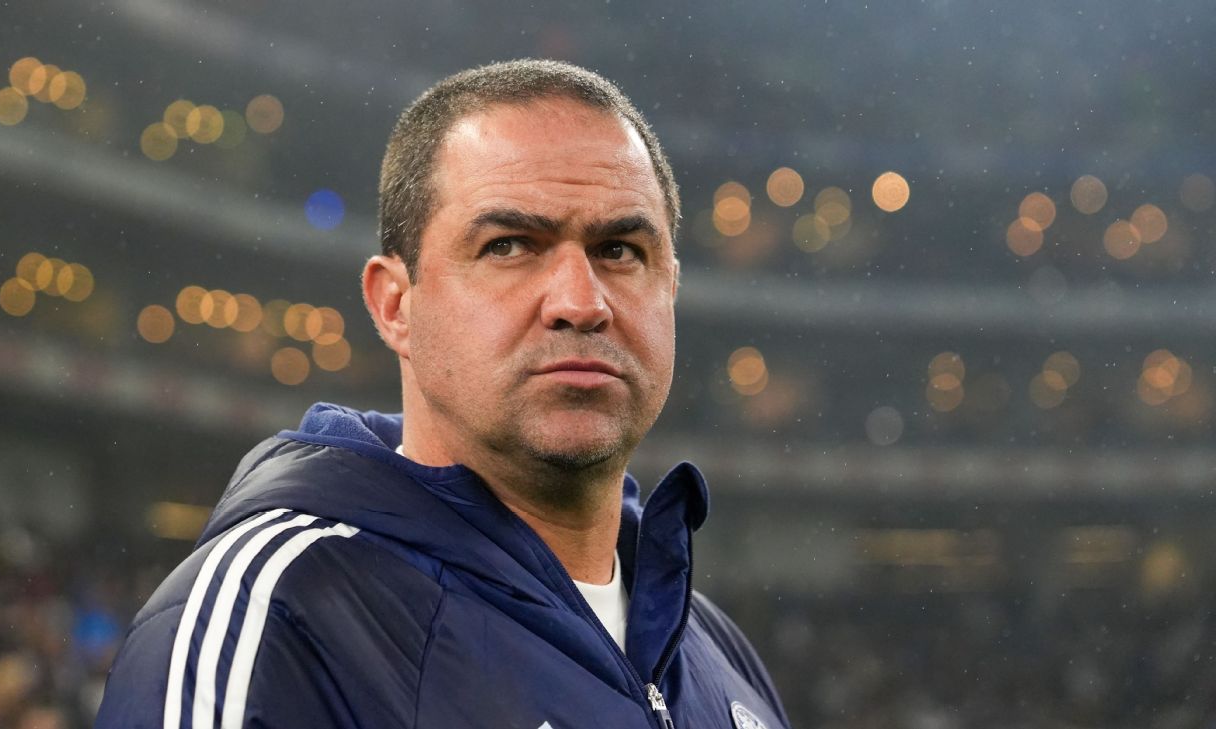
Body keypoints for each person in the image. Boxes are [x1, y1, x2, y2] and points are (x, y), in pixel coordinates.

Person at [97, 59, 789, 729]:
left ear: (671, 289)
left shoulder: (722, 657)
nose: (581, 303)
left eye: (620, 251)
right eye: (510, 245)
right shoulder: (274, 614)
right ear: (395, 304)